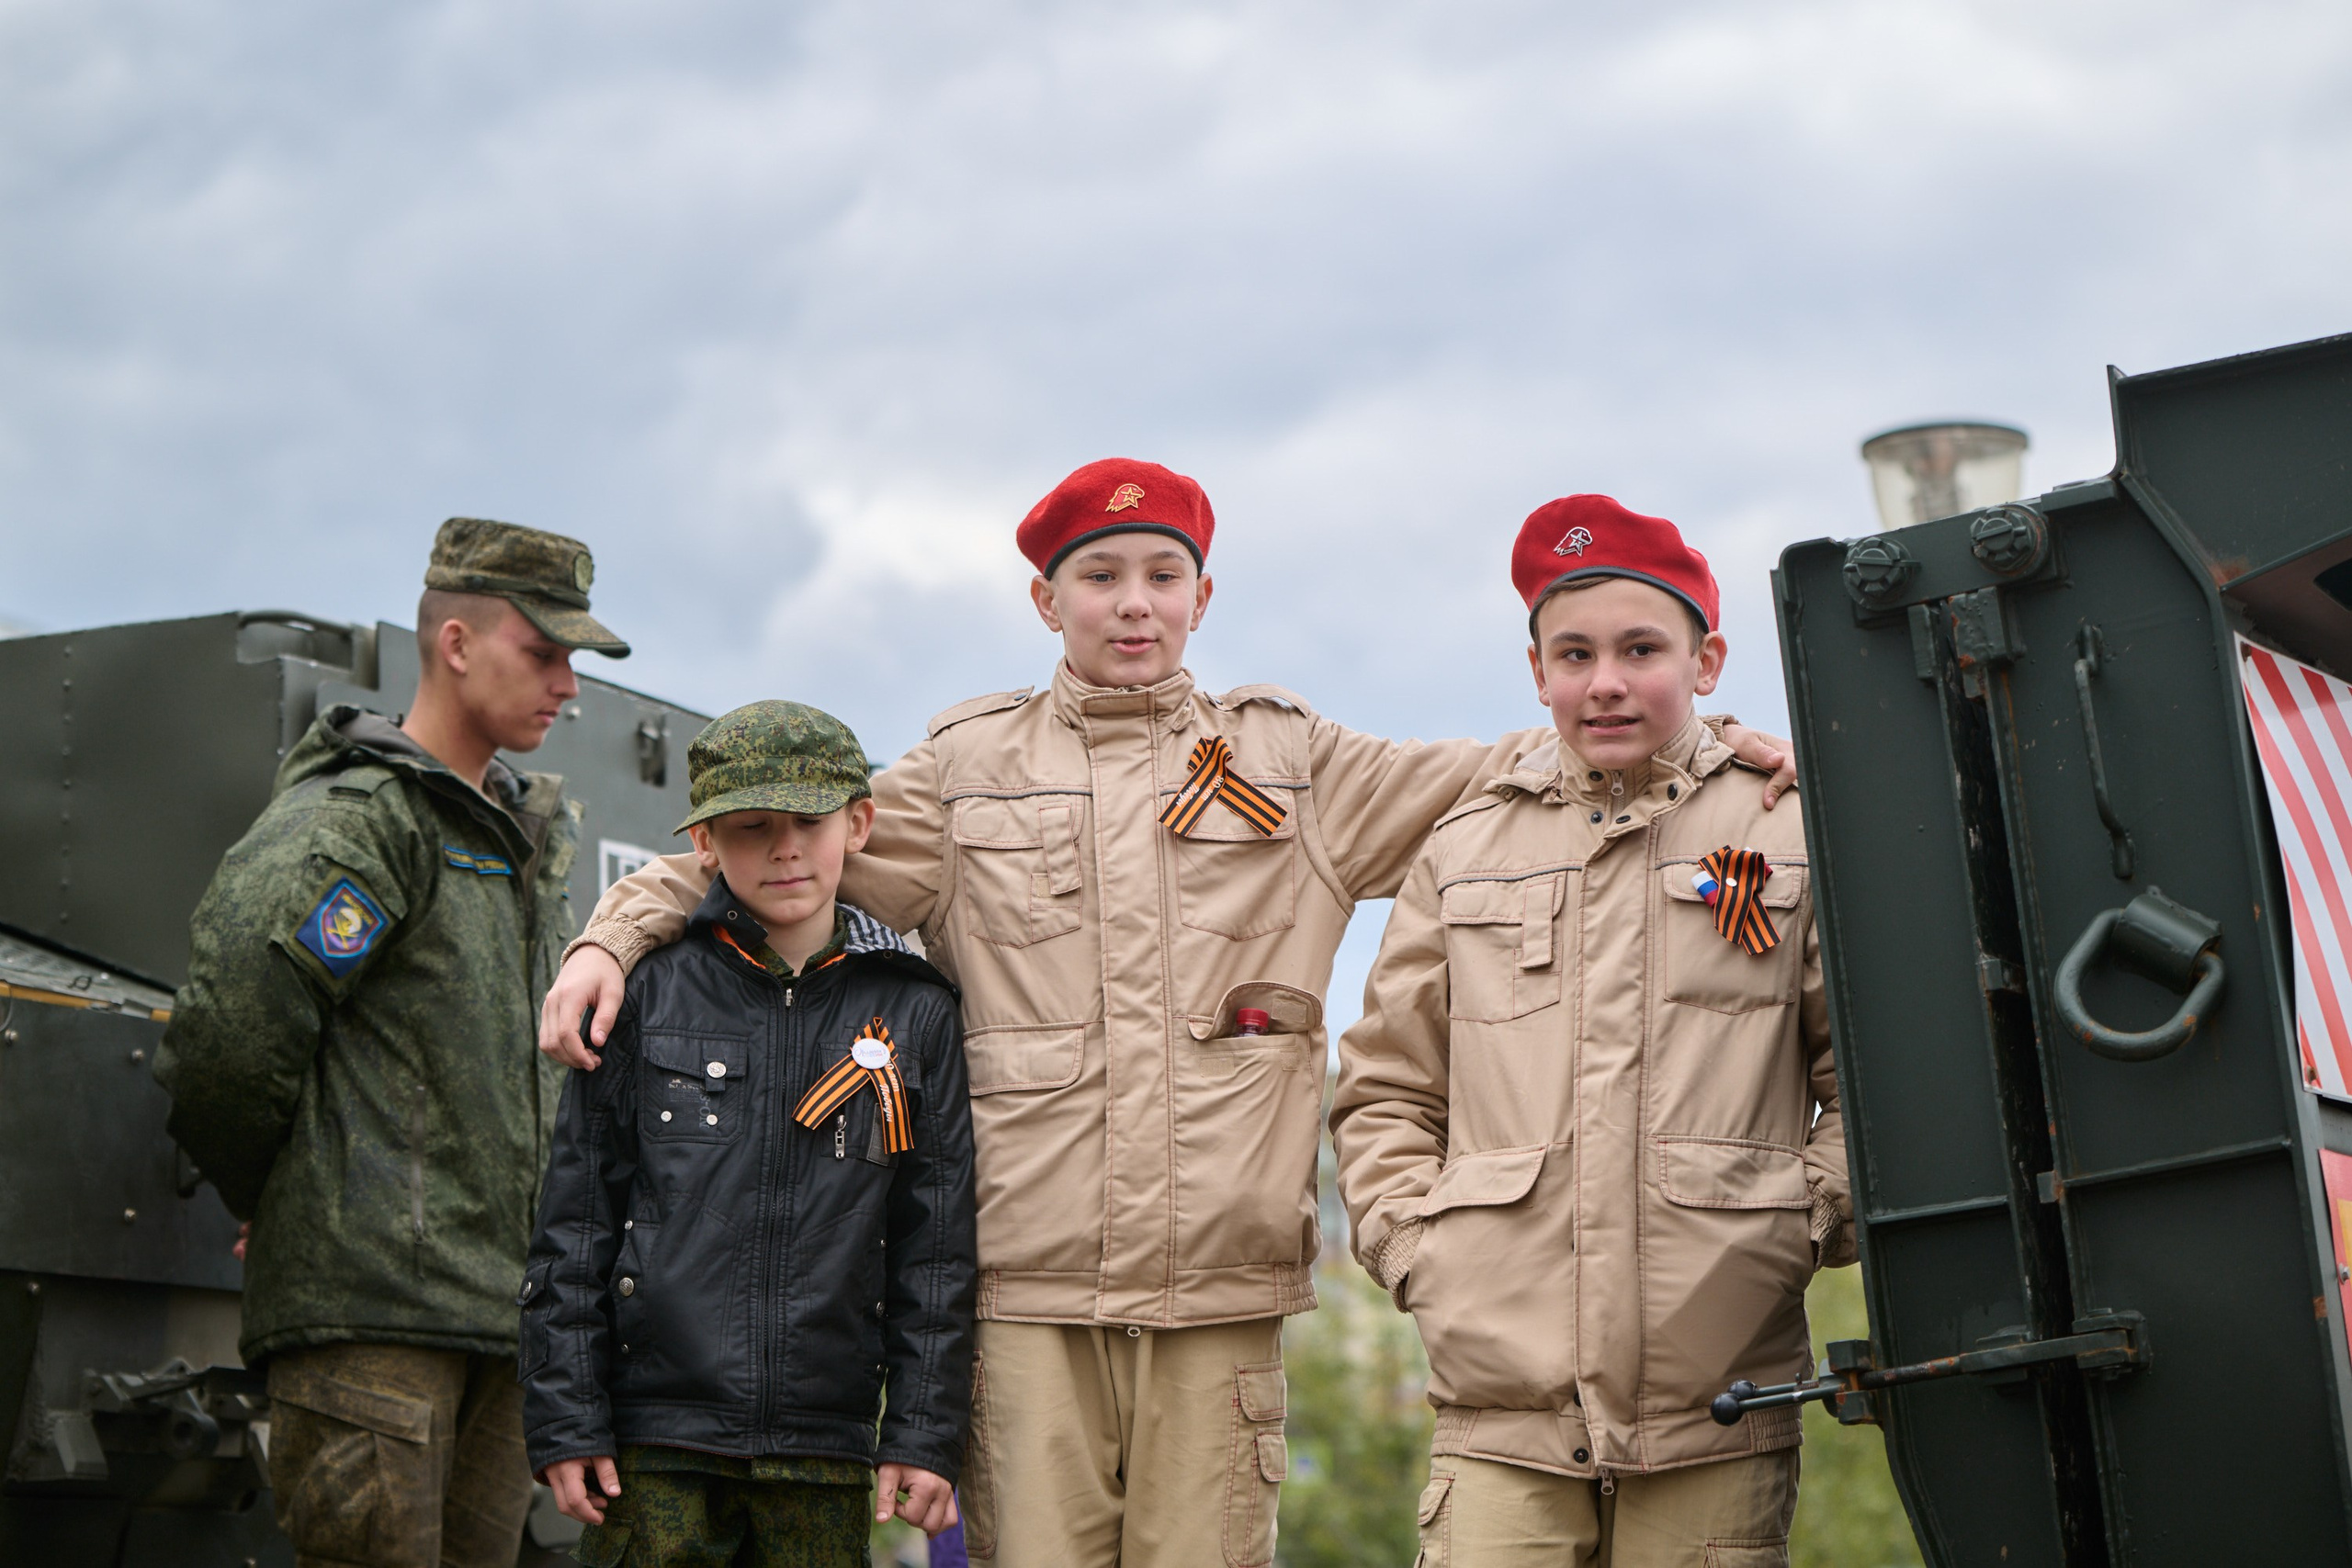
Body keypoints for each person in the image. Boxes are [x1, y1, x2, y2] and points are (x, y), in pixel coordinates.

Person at [535, 459, 1796, 1567]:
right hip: (1027, 1301)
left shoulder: (1298, 768)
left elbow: (1542, 759)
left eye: (1162, 574)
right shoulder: (966, 778)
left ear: (1203, 594)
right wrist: (613, 932)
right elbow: (783, 837)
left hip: (1219, 1303)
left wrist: (1725, 749)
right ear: (1047, 601)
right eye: (1099, 576)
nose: (1132, 603)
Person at [1329, 495, 1853, 1567]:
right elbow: (1387, 1087)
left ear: (1707, 662)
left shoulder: (1792, 828)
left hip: (1718, 1400)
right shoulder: (1465, 846)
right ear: (1537, 673)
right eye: (1574, 654)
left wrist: (1794, 1223)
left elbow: (1868, 1086)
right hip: (1500, 1408)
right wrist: (1417, 1251)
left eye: (1640, 650)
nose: (1605, 681)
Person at [154, 518, 629, 1568]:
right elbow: (230, 1036)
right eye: (543, 652)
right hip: (375, 1324)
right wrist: (283, 1195)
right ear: (456, 644)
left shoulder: (517, 841)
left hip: (502, 1323)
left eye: (573, 661)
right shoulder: (363, 821)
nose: (567, 686)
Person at [520, 700, 976, 1567]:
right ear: (704, 841)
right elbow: (575, 1221)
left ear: (859, 824)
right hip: (653, 1445)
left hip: (824, 1449)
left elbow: (938, 1251)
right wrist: (566, 1415)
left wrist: (923, 1430)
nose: (785, 848)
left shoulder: (917, 1012)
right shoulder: (644, 991)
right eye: (752, 825)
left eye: (809, 821)